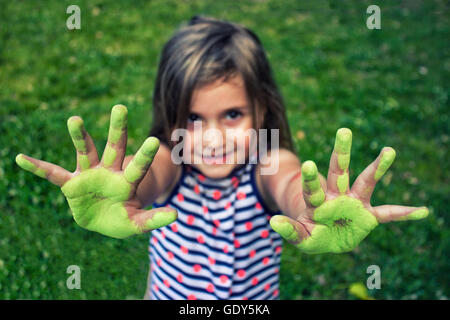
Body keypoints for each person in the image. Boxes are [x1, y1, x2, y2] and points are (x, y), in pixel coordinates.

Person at [15, 16, 429, 300]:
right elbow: (149, 176)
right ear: (170, 115)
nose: (212, 139)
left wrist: (312, 210)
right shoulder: (169, 157)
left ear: (262, 109)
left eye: (232, 114)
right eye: (192, 118)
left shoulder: (269, 160)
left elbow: (288, 184)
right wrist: (127, 190)